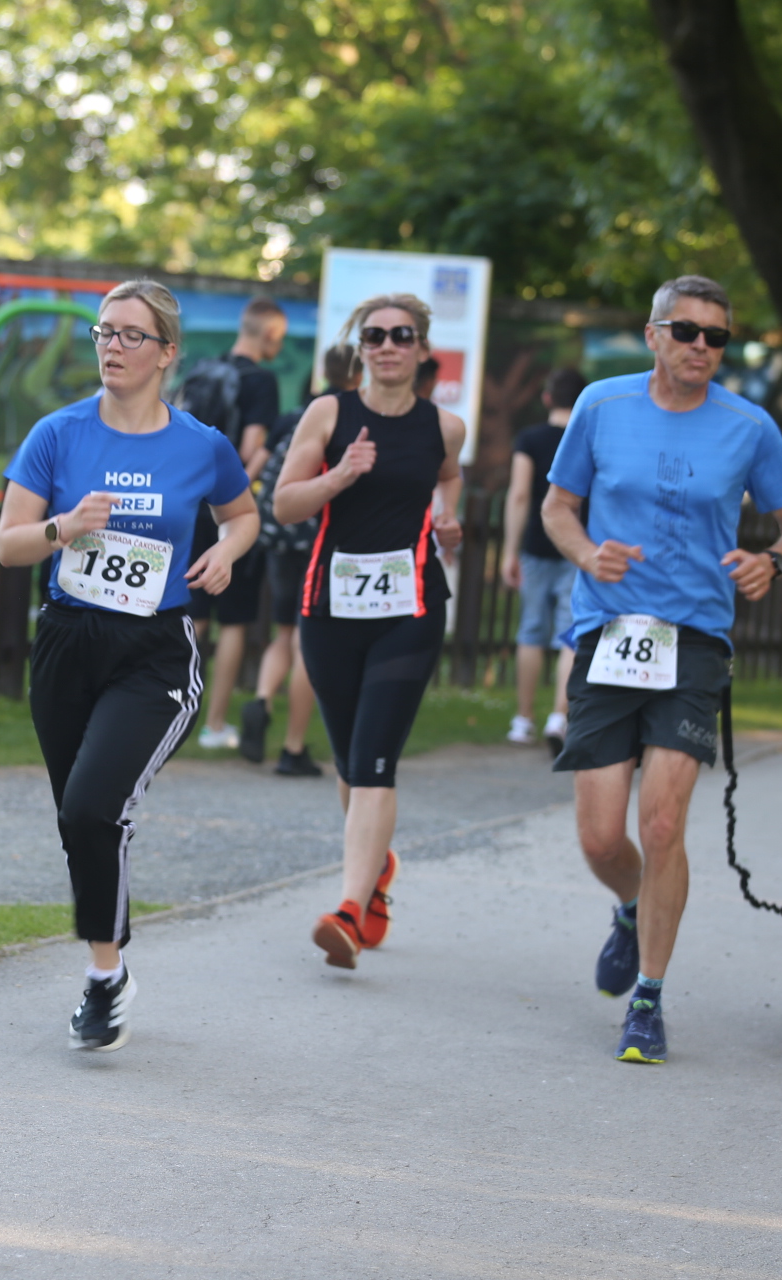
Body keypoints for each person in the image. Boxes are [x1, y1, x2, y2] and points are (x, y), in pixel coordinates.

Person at [539, 274, 782, 1065]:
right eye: (688, 331)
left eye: (717, 337)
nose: (703, 347)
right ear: (655, 333)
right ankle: (629, 904)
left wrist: (772, 561)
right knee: (601, 837)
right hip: (608, 629)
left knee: (661, 822)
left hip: (694, 640)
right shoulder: (602, 404)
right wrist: (589, 552)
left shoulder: (748, 426)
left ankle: (649, 999)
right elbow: (558, 507)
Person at [0, 279, 257, 1051]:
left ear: (167, 353)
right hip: (69, 642)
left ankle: (104, 982)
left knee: (93, 808)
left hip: (153, 652)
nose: (111, 346)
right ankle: (107, 967)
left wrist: (226, 554)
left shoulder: (200, 444)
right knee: (77, 817)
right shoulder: (59, 433)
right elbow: (8, 543)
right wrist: (61, 527)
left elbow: (242, 517)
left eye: (129, 335)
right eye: (103, 332)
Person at [274, 294, 465, 968]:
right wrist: (341, 475)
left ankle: (350, 909)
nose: (387, 345)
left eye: (401, 335)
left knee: (377, 756)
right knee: (352, 763)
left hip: (410, 609)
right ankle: (377, 872)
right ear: (360, 348)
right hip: (331, 607)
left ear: (420, 348)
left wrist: (447, 521)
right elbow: (284, 502)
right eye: (374, 335)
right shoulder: (329, 413)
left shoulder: (446, 426)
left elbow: (448, 479)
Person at [239, 344, 363, 776]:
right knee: (305, 643)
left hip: (280, 539)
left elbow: (268, 464)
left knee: (282, 633)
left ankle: (261, 699)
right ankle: (293, 747)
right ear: (359, 376)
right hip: (318, 542)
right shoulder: (349, 420)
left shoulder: (296, 415)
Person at [190, 296, 286, 750]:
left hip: (188, 504)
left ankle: (171, 712)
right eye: (279, 339)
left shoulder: (203, 370)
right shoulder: (262, 382)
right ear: (268, 333)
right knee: (232, 620)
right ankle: (214, 724)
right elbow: (250, 448)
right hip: (227, 508)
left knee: (192, 614)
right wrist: (233, 502)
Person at [501, 365, 587, 755]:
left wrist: (509, 549)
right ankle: (559, 715)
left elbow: (519, 495)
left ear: (547, 398)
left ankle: (523, 720)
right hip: (577, 545)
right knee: (570, 633)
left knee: (531, 631)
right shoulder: (587, 438)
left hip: (536, 543)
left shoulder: (530, 439)